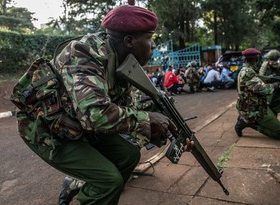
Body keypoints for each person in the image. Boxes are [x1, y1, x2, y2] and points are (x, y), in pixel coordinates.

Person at [20, 5, 193, 205]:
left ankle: (89, 190)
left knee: (129, 155)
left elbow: (126, 113)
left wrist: (165, 133)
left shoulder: (122, 62)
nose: (153, 45)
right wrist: (147, 119)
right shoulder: (83, 53)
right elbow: (96, 115)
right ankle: (94, 188)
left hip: (76, 123)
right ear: (129, 41)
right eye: (149, 38)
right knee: (109, 181)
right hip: (47, 129)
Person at [235, 48, 280, 139]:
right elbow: (262, 89)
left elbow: (259, 79)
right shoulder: (247, 72)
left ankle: (270, 119)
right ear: (256, 59)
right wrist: (275, 85)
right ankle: (252, 124)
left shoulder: (248, 70)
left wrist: (272, 79)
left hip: (257, 104)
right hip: (255, 110)